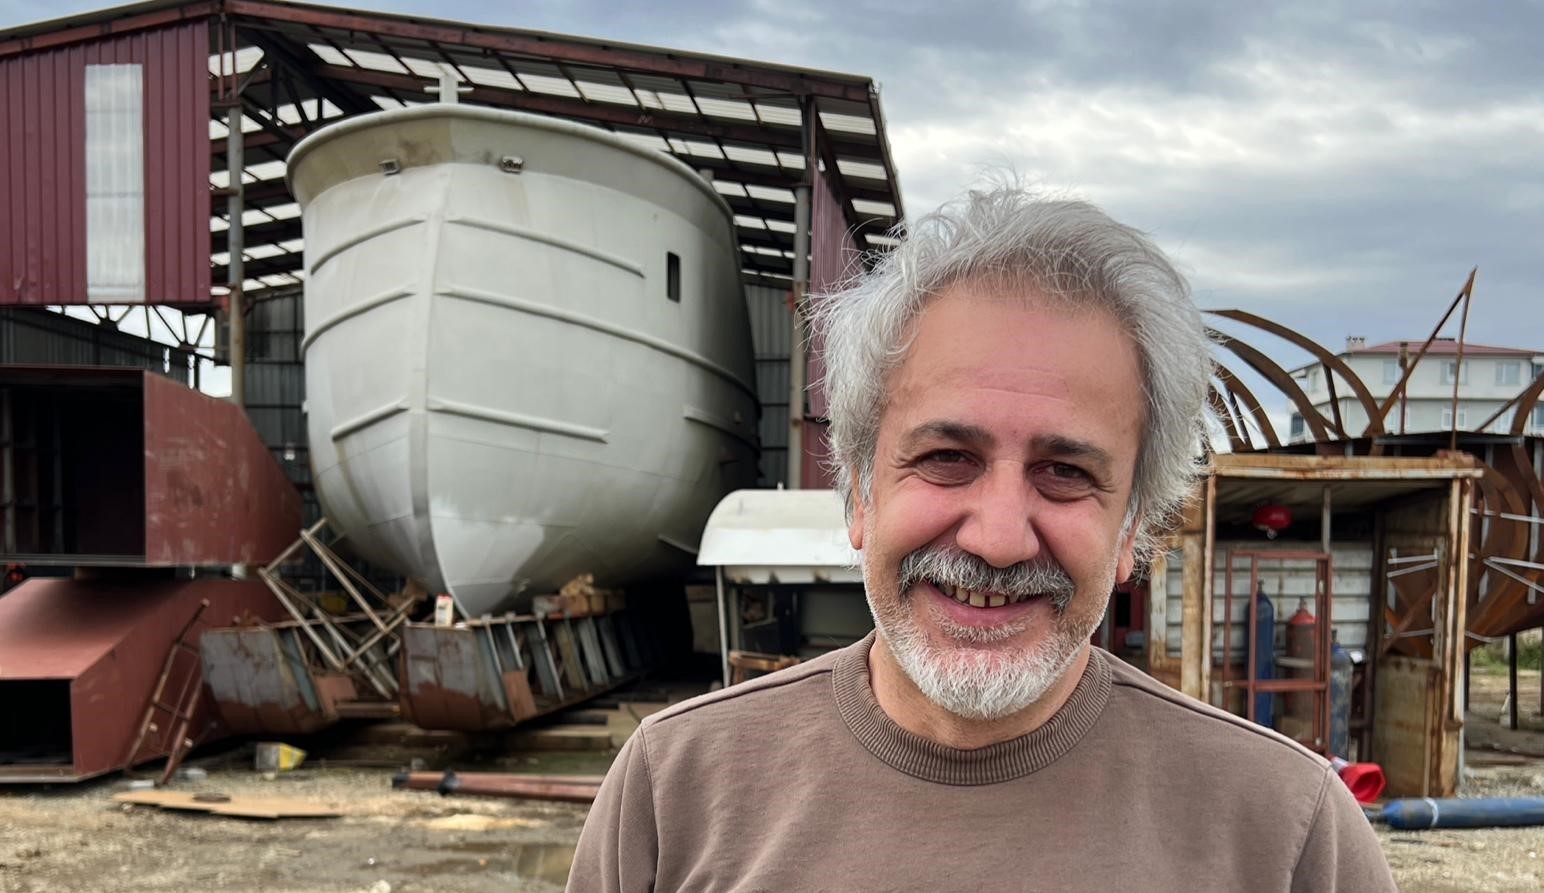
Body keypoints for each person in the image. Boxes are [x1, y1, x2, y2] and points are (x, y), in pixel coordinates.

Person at [567, 182, 1396, 891]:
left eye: (1065, 471)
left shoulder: (1289, 837)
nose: (999, 539)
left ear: (1132, 528)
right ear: (858, 490)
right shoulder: (673, 791)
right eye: (946, 458)